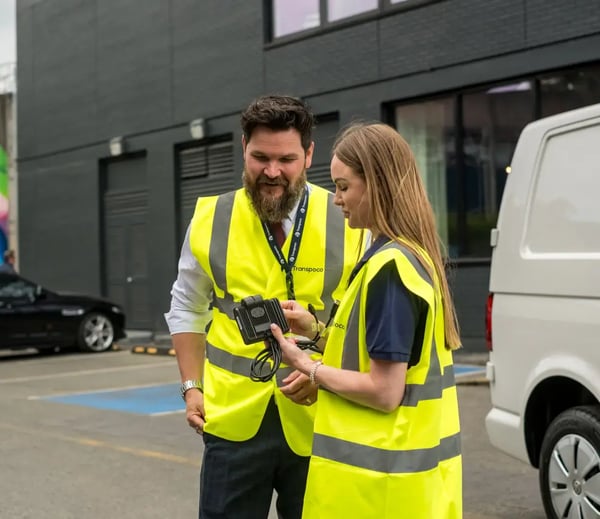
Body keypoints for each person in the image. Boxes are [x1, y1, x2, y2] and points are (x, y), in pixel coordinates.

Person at [164, 95, 362, 519]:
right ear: (243, 148)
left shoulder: (348, 216)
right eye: (260, 157)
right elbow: (186, 306)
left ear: (309, 155)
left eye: (286, 159)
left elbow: (361, 320)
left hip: (320, 417)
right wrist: (191, 386)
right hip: (232, 422)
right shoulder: (210, 217)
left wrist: (324, 372)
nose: (272, 172)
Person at [269, 122, 463, 518]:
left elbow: (384, 390)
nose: (336, 199)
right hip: (404, 488)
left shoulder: (390, 268)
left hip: (378, 493)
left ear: (376, 184)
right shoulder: (408, 256)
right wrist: (317, 331)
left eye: (344, 187)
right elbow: (377, 353)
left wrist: (307, 365)